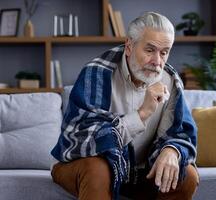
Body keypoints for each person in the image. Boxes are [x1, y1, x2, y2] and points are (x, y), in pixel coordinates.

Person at [50, 11, 199, 200]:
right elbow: (85, 139)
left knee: (186, 174)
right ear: (129, 46)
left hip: (139, 173)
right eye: (149, 50)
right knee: (98, 169)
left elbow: (180, 133)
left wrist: (172, 150)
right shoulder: (96, 73)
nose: (157, 62)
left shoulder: (171, 81)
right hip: (80, 165)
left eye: (164, 52)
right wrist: (143, 114)